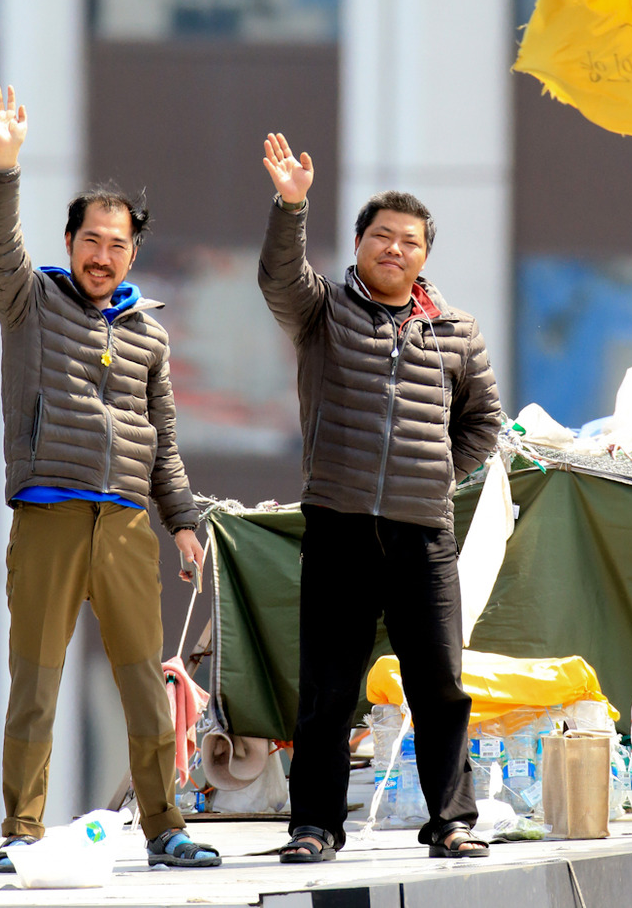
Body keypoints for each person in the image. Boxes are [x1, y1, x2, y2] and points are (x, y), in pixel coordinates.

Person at [0, 84, 221, 873]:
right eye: (91, 239)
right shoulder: (31, 302)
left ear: (132, 254)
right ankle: (22, 830)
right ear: (71, 239)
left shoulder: (148, 331)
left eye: (117, 244)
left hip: (124, 526)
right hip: (49, 513)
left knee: (147, 688)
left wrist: (181, 521)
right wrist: (5, 163)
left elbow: (165, 442)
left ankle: (165, 829)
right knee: (36, 681)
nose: (101, 254)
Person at [259, 132, 501, 862]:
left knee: (440, 688)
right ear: (360, 243)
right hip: (337, 526)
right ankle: (314, 828)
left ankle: (451, 821)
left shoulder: (456, 332)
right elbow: (277, 277)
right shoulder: (323, 312)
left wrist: (433, 475)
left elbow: (484, 420)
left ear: (426, 256)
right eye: (382, 236)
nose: (395, 249)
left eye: (410, 241)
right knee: (328, 691)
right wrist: (290, 206)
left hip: (422, 534)